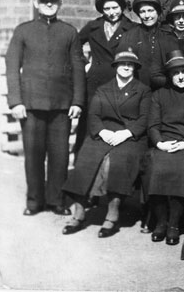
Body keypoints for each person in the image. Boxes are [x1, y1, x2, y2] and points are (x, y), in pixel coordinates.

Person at [5, 0, 86, 216]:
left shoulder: (69, 32)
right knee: (33, 156)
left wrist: (78, 102)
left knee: (60, 156)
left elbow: (78, 68)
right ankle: (34, 202)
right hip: (31, 105)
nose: (49, 4)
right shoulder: (23, 31)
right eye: (44, 1)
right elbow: (12, 66)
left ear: (60, 3)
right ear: (35, 3)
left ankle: (56, 200)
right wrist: (16, 101)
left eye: (53, 1)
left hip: (62, 105)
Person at [61, 51, 151, 237]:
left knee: (116, 162)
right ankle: (79, 212)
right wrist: (103, 131)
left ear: (134, 68)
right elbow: (93, 115)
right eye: (122, 63)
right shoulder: (103, 89)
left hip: (130, 137)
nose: (126, 67)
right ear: (115, 66)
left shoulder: (143, 90)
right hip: (104, 133)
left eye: (130, 64)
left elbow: (145, 118)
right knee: (86, 158)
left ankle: (112, 214)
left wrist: (126, 133)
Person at [146, 51, 184, 246]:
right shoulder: (159, 95)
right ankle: (160, 222)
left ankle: (174, 224)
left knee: (182, 168)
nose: (180, 76)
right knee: (156, 167)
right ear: (169, 76)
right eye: (175, 72)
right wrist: (160, 143)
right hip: (164, 143)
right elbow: (153, 125)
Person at [75, 0, 136, 153]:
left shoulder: (132, 28)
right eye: (106, 8)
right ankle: (83, 158)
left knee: (116, 120)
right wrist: (85, 63)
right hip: (95, 82)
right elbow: (75, 44)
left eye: (115, 7)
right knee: (90, 121)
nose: (111, 12)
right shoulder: (93, 26)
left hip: (120, 82)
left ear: (122, 7)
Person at [116, 0, 163, 89]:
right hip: (138, 89)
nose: (147, 16)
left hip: (164, 91)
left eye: (150, 10)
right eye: (142, 11)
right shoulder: (129, 35)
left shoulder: (167, 34)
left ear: (157, 12)